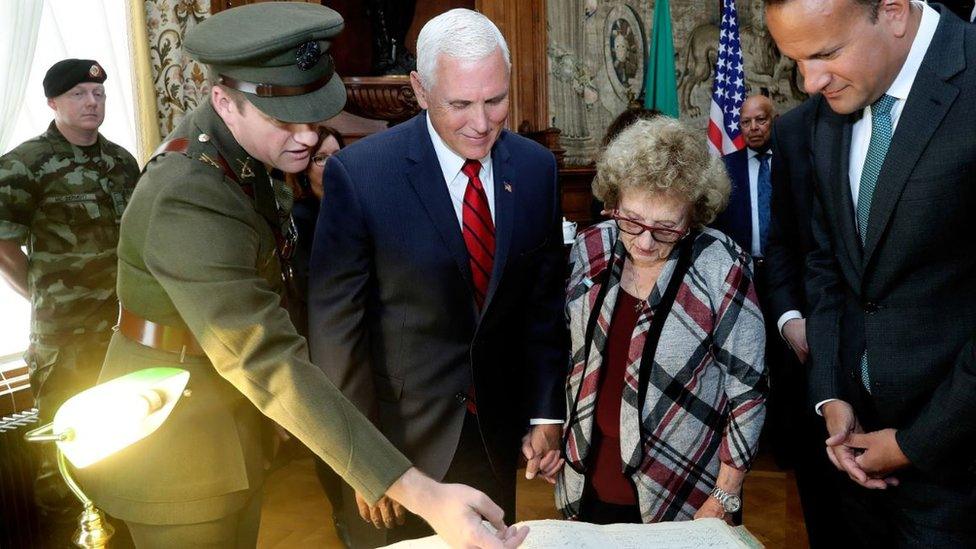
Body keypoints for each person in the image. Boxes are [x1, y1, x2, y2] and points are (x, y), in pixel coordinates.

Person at [75, 4, 528, 548]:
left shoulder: (243, 160)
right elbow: (264, 355)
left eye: (314, 118)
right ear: (224, 100)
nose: (307, 138)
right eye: (285, 121)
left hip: (224, 430)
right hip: (177, 453)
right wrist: (424, 495)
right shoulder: (188, 195)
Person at [309, 8, 567, 546]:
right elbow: (336, 334)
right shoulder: (361, 176)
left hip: (496, 440)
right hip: (397, 448)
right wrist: (364, 460)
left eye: (495, 100)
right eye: (460, 103)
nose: (481, 122)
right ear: (420, 90)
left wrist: (546, 412)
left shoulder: (537, 171)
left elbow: (543, 309)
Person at [765, 0, 976, 545]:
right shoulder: (832, 109)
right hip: (852, 464)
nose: (809, 84)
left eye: (826, 54)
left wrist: (913, 444)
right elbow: (829, 264)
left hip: (961, 474)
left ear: (893, 12)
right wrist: (831, 395)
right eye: (796, 61)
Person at [555, 117, 767, 525]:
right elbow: (572, 355)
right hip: (588, 476)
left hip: (685, 489)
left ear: (693, 217)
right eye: (631, 220)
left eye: (667, 228)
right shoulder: (592, 247)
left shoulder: (720, 265)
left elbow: (748, 391)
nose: (645, 241)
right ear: (614, 201)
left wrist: (726, 493)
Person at [0, 58, 139, 538]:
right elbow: (2, 242)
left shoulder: (122, 162)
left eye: (98, 94)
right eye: (79, 94)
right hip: (64, 337)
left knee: (126, 440)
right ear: (53, 102)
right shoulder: (24, 164)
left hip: (124, 329)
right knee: (65, 447)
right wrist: (42, 295)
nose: (91, 103)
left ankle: (118, 534)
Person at [764, 96, 856, 548]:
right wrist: (789, 318)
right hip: (813, 363)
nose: (811, 78)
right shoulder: (795, 129)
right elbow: (781, 239)